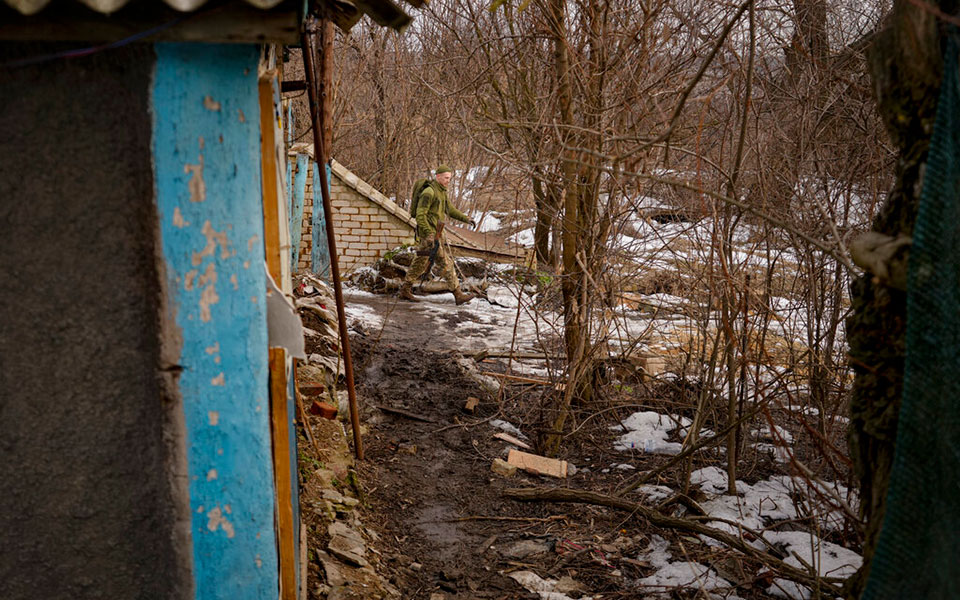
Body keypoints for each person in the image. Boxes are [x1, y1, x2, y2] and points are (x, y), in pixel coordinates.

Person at [399, 165, 477, 305]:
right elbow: (420, 215)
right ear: (438, 176)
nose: (448, 180)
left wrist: (466, 219)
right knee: (445, 262)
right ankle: (457, 294)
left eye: (449, 178)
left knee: (420, 261)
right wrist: (428, 234)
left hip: (437, 233)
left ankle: (405, 289)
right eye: (446, 178)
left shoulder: (442, 192)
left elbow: (450, 210)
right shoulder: (429, 192)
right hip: (428, 235)